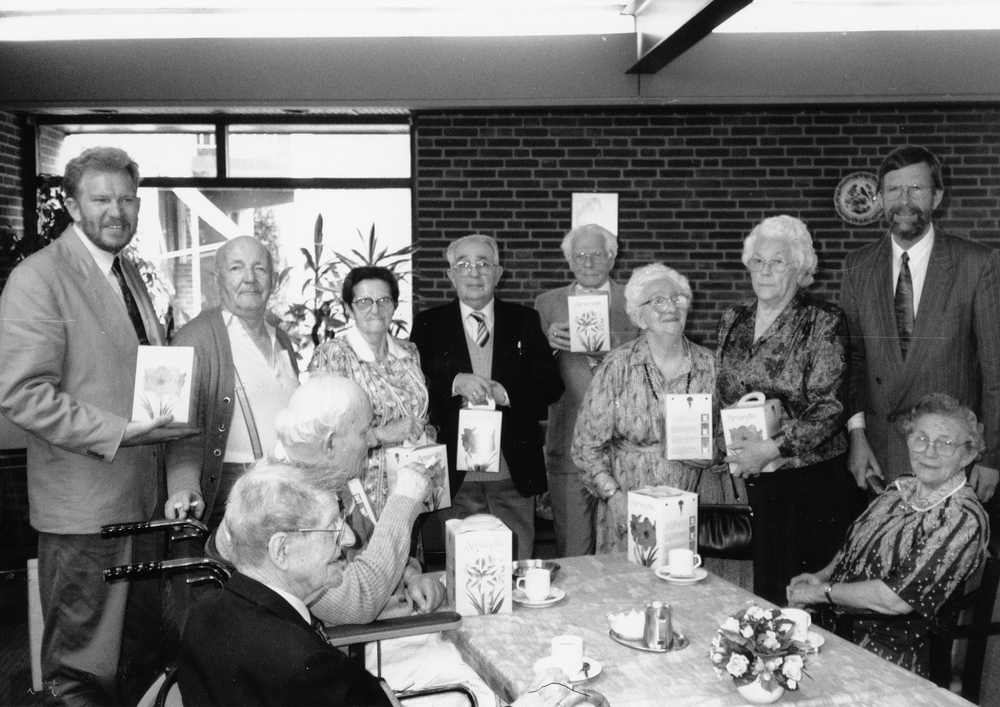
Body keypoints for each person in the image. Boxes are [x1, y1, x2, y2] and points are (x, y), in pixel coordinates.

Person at [0, 147, 193, 706]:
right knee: (82, 671)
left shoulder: (127, 273)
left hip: (140, 503)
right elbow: (22, 394)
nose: (117, 211)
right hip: (84, 515)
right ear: (71, 205)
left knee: (137, 662)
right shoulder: (39, 277)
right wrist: (119, 431)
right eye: (102, 199)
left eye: (127, 200)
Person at [178, 460, 609, 707]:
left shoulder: (205, 614)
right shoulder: (307, 669)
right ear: (281, 550)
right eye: (333, 530)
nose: (349, 541)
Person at [787, 393, 990, 676]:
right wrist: (822, 576)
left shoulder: (962, 518)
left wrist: (822, 593)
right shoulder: (900, 487)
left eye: (945, 444)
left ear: (967, 454)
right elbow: (854, 546)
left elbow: (895, 599)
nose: (929, 452)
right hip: (836, 628)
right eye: (921, 439)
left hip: (889, 655)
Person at [841, 145, 1000, 505]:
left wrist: (992, 457)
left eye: (916, 189)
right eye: (894, 190)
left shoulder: (977, 264)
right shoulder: (857, 266)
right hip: (878, 458)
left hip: (950, 457)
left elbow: (996, 373)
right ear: (879, 198)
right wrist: (857, 438)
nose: (904, 200)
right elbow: (851, 364)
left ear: (937, 196)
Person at [716, 215, 859, 604]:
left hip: (804, 484)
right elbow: (722, 393)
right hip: (747, 475)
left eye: (777, 262)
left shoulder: (823, 320)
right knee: (753, 591)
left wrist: (769, 449)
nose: (765, 271)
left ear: (800, 269)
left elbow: (829, 408)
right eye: (758, 261)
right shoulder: (733, 318)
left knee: (793, 597)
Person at [411, 234, 564, 560]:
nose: (474, 272)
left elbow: (551, 386)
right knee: (466, 568)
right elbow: (416, 389)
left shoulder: (524, 320)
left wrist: (504, 394)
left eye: (483, 263)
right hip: (457, 475)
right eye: (463, 264)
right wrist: (455, 382)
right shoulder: (428, 324)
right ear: (451, 275)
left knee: (516, 563)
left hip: (512, 473)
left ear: (498, 273)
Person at [572, 263, 716, 554]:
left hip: (690, 507)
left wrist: (714, 453)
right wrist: (614, 497)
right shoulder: (617, 365)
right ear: (639, 315)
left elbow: (728, 439)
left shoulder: (710, 366)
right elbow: (586, 447)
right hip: (627, 507)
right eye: (658, 301)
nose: (670, 308)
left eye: (678, 299)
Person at [164, 235, 299, 531]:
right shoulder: (193, 338)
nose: (250, 278)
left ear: (273, 280)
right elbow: (176, 432)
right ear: (217, 279)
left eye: (259, 268)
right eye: (236, 268)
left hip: (285, 492)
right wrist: (184, 487)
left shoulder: (282, 339)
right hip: (228, 498)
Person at [535, 224, 639, 557]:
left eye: (596, 254)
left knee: (628, 553)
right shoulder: (546, 304)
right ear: (568, 260)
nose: (588, 262)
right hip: (568, 446)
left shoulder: (635, 300)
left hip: (626, 449)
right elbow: (534, 379)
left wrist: (617, 349)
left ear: (612, 257)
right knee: (573, 553)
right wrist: (548, 347)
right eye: (579, 255)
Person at [309, 266, 433, 519]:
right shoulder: (333, 355)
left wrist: (426, 431)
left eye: (384, 300)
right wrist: (381, 434)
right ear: (348, 308)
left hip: (409, 488)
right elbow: (323, 436)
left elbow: (419, 411)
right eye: (364, 301)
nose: (375, 309)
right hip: (360, 494)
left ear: (394, 305)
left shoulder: (409, 352)